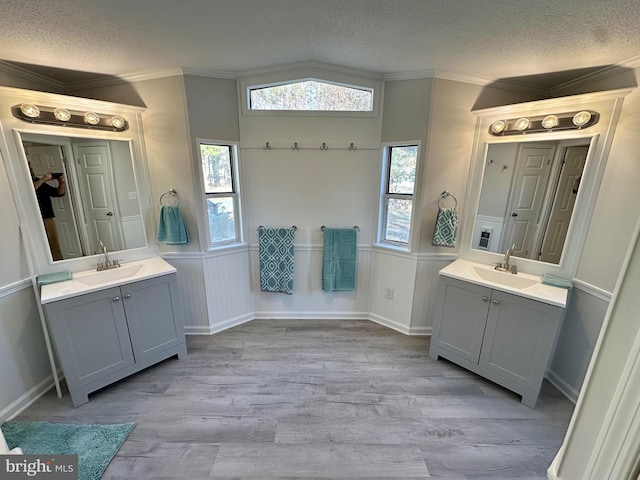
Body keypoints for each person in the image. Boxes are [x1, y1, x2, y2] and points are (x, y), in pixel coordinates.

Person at [30, 163, 66, 260]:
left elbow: (59, 193)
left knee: (54, 245)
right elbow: (29, 191)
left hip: (47, 218)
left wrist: (61, 183)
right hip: (31, 220)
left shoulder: (39, 182)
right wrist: (43, 179)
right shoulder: (21, 183)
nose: (31, 169)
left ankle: (59, 265)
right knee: (37, 247)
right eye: (28, 167)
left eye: (31, 167)